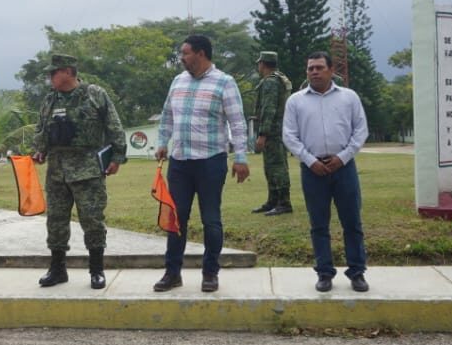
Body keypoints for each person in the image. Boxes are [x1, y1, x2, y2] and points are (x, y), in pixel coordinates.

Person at [153, 35, 250, 293]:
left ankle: (210, 273)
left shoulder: (225, 83)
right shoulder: (178, 81)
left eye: (185, 53)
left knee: (211, 219)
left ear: (201, 53)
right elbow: (167, 116)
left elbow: (237, 123)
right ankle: (172, 273)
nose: (181, 58)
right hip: (180, 162)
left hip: (210, 162)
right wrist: (162, 141)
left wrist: (240, 157)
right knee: (176, 219)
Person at [32, 54, 127, 290]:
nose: (50, 77)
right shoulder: (49, 100)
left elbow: (114, 126)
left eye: (53, 72)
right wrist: (39, 150)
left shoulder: (95, 94)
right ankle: (57, 269)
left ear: (67, 71)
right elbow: (41, 129)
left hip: (88, 169)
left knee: (92, 220)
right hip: (57, 170)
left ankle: (97, 270)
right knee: (56, 221)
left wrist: (117, 156)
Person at [283, 52, 370, 293]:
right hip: (312, 170)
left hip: (344, 168)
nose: (314, 72)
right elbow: (289, 136)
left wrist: (342, 158)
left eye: (319, 67)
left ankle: (357, 272)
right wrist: (310, 161)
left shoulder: (349, 98)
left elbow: (360, 131)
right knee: (318, 224)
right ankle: (324, 272)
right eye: (310, 68)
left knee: (352, 222)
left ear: (331, 70)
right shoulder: (295, 101)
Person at [251, 51, 293, 216]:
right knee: (271, 166)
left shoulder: (270, 82)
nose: (258, 66)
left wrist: (263, 134)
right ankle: (273, 200)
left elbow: (269, 109)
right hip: (278, 130)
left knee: (277, 167)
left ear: (263, 63)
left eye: (259, 63)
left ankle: (284, 202)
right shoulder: (278, 78)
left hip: (273, 132)